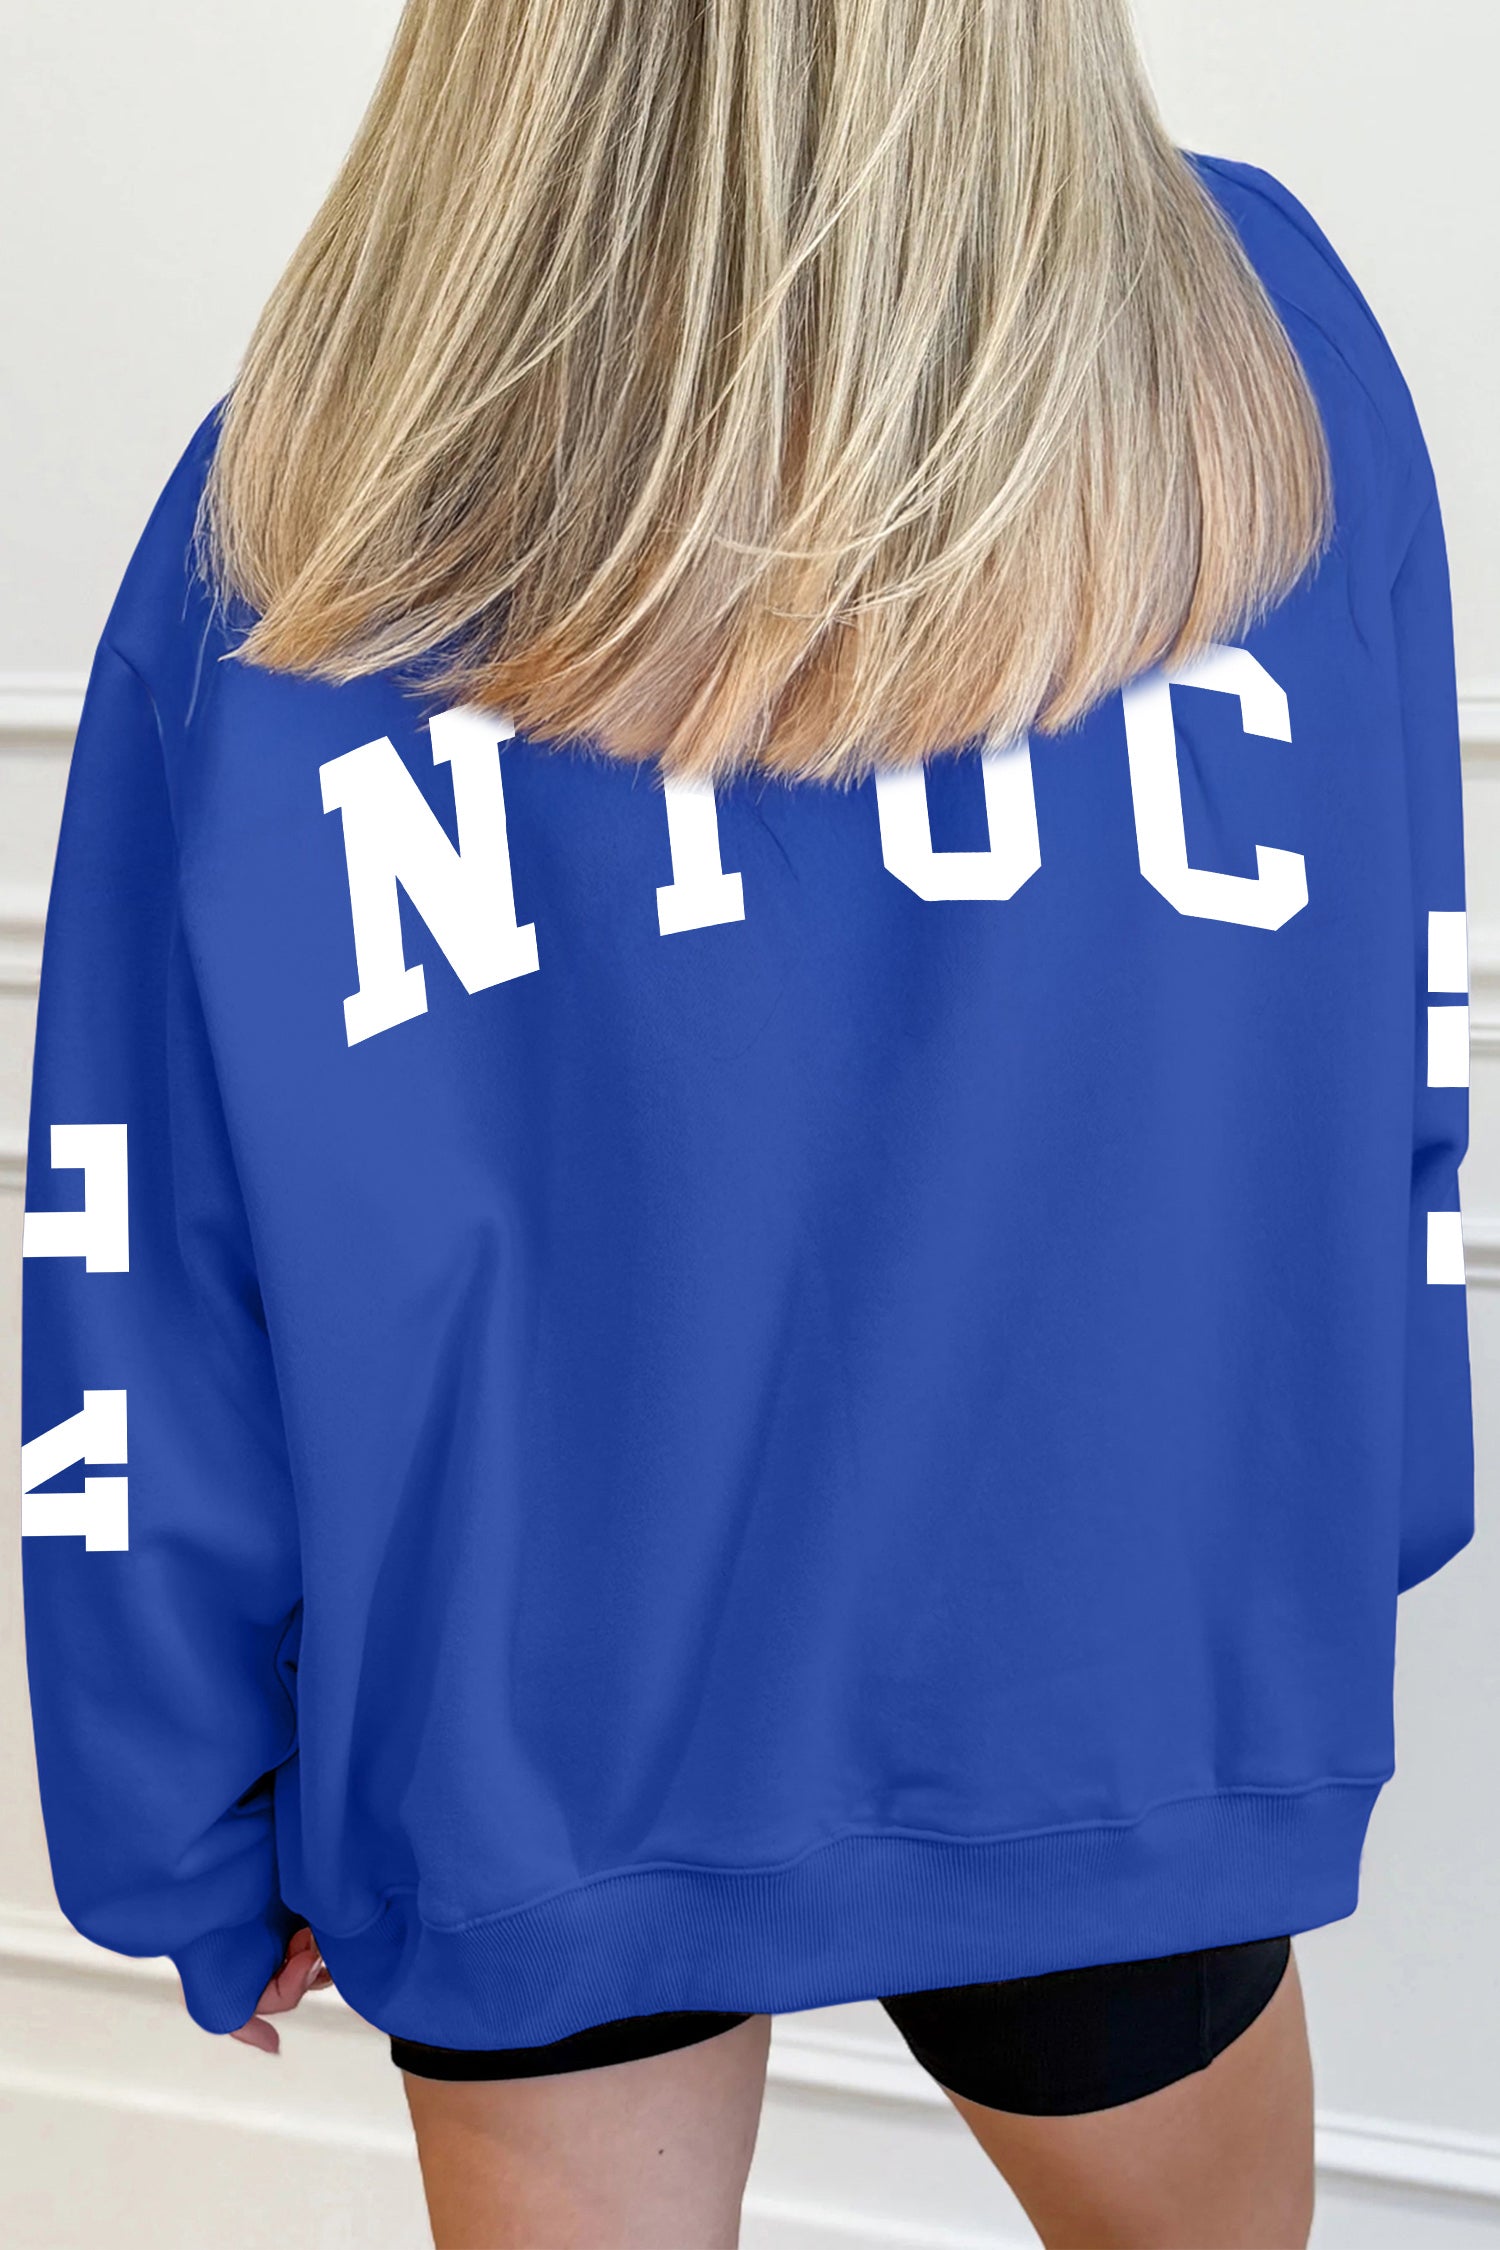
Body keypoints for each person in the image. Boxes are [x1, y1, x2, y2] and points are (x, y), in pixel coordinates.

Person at [20, 0, 1471, 2244]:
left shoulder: (308, 493)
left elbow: (141, 1230)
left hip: (529, 1723)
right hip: (1112, 1669)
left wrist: (181, 1811)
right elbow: (1392, 1014)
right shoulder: (1252, 348)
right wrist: (1355, 1498)